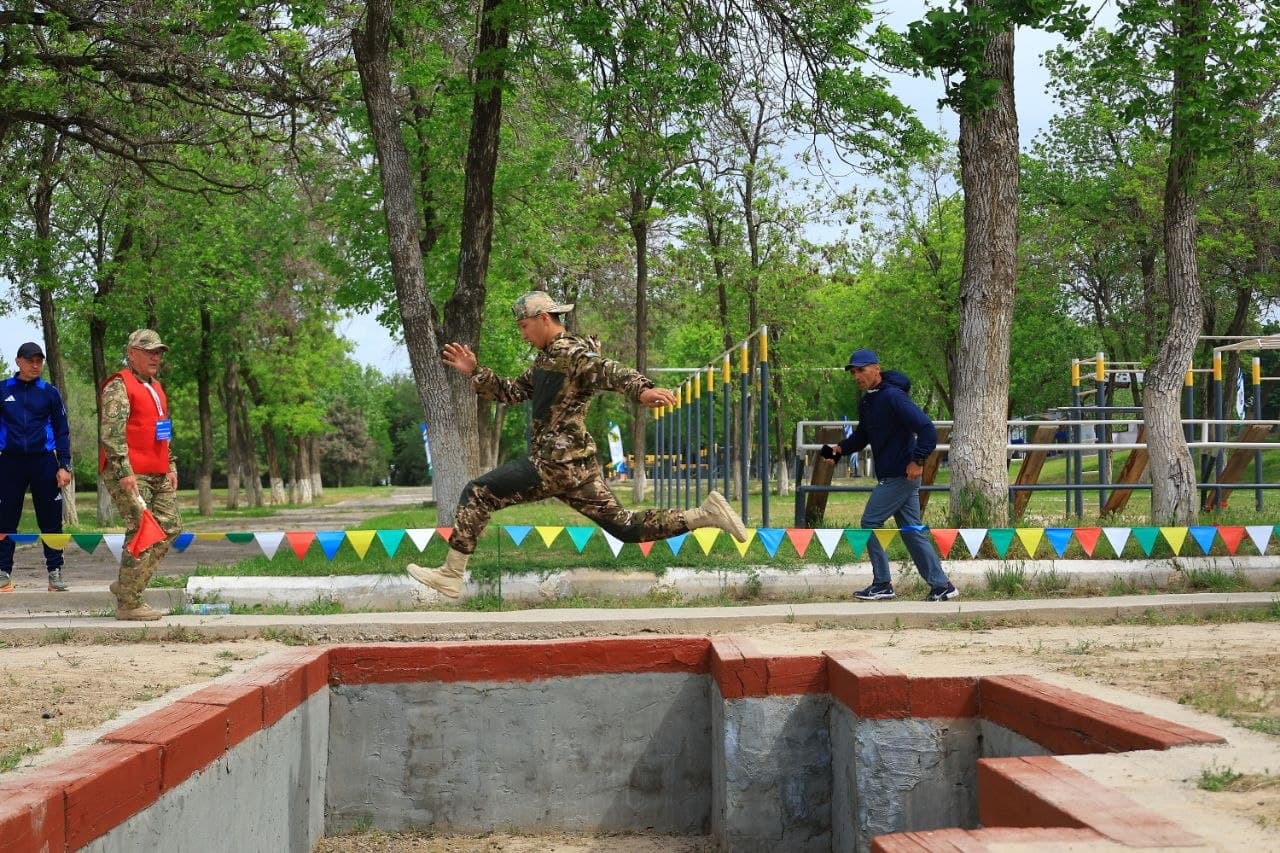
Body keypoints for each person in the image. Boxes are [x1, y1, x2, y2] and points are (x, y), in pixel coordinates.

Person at [407, 290, 748, 598]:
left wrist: (641, 389)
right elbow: (510, 392)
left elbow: (607, 369)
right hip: (577, 467)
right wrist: (474, 371)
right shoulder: (546, 358)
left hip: (553, 464)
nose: (523, 334)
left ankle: (451, 575)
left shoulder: (571, 352)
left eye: (525, 326)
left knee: (478, 492)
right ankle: (704, 515)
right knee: (626, 527)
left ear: (544, 319)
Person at [820, 349, 958, 602]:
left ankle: (882, 583)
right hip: (895, 475)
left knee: (869, 523)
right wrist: (839, 449)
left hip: (900, 475)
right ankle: (941, 586)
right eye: (853, 372)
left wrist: (918, 461)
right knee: (911, 531)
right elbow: (863, 435)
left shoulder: (893, 397)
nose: (856, 376)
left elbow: (927, 428)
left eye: (861, 370)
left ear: (876, 368)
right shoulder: (868, 401)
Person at [99, 329, 183, 620]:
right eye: (149, 352)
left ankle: (126, 585)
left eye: (158, 352)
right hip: (130, 472)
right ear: (132, 353)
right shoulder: (119, 385)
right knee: (143, 531)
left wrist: (170, 465)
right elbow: (112, 433)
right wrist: (123, 471)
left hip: (157, 471)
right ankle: (129, 603)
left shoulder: (156, 387)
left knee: (170, 527)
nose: (155, 357)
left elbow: (163, 429)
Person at [0, 342, 73, 592]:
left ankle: (55, 572)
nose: (35, 365)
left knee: (51, 521)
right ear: (18, 361)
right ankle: (3, 573)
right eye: (31, 360)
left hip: (44, 462)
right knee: (5, 520)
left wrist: (65, 465)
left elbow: (62, 431)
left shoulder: (49, 392)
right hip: (9, 462)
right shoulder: (3, 390)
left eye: (39, 361)